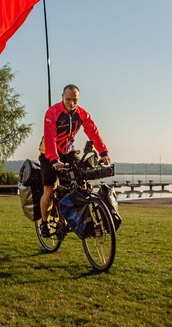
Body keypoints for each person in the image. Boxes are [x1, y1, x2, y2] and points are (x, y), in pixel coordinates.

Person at [38, 84, 111, 237]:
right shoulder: (52, 112)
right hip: (49, 154)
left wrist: (103, 152)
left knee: (80, 181)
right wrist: (54, 159)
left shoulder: (81, 113)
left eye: (75, 100)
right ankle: (44, 223)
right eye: (68, 99)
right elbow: (50, 138)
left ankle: (73, 217)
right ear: (62, 97)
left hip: (68, 152)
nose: (71, 103)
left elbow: (93, 132)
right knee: (50, 190)